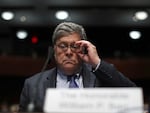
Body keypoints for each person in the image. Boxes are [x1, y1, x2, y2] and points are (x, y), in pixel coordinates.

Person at [18, 22, 136, 112]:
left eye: (74, 46)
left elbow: (133, 95)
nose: (69, 52)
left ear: (84, 49)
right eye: (63, 46)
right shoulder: (32, 84)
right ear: (54, 50)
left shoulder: (100, 75)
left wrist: (96, 62)